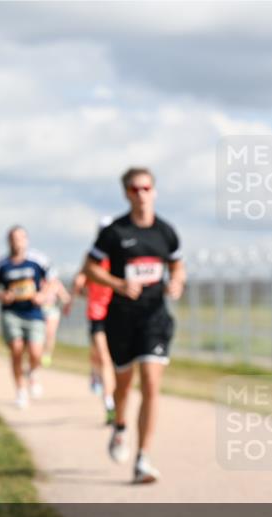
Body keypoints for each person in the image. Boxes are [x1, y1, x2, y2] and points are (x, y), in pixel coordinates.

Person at [82, 168, 186, 484]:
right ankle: (120, 426)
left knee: (151, 382)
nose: (141, 194)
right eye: (135, 189)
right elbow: (89, 268)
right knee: (124, 385)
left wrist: (177, 283)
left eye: (146, 188)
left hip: (155, 318)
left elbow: (177, 266)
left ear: (154, 191)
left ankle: (143, 459)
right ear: (126, 193)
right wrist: (117, 284)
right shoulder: (115, 232)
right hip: (121, 319)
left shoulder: (166, 232)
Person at [0, 226, 56, 408]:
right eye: (13, 238)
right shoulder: (1, 264)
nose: (17, 242)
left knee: (36, 352)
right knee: (17, 350)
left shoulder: (38, 260)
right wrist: (2, 295)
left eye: (20, 238)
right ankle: (21, 391)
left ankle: (33, 372)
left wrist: (43, 295)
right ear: (8, 241)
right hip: (11, 313)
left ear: (26, 240)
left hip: (34, 312)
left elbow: (52, 281)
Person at [74, 216, 117, 425]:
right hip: (97, 313)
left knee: (112, 359)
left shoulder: (121, 254)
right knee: (103, 357)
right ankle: (109, 404)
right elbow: (80, 281)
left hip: (118, 313)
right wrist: (83, 289)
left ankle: (98, 376)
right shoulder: (92, 257)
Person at [40, 275, 73, 368]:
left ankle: (47, 355)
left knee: (50, 334)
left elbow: (65, 297)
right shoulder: (38, 279)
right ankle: (37, 353)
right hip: (38, 310)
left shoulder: (56, 283)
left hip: (51, 311)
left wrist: (66, 300)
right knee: (39, 334)